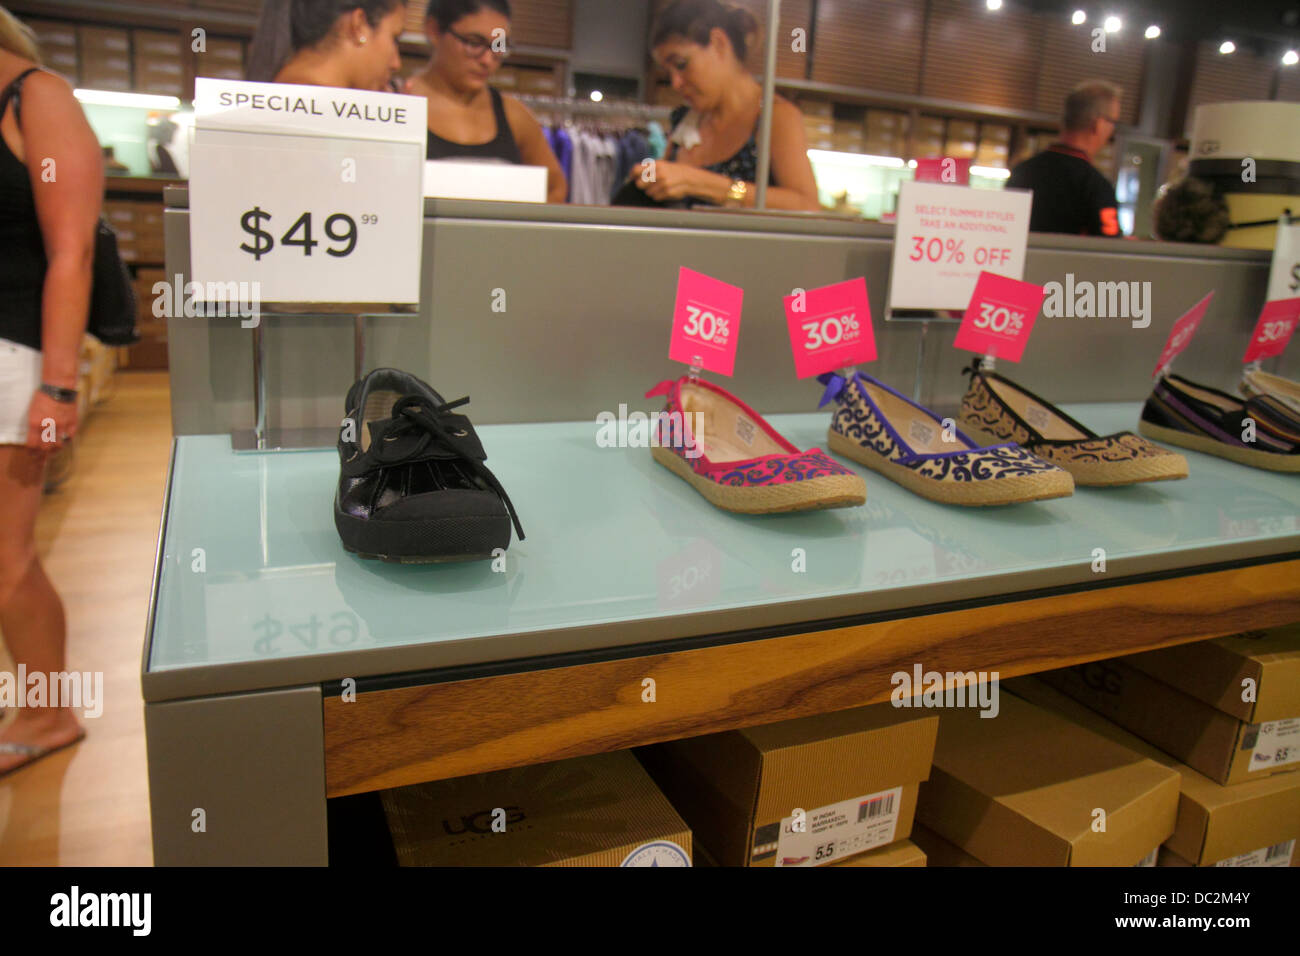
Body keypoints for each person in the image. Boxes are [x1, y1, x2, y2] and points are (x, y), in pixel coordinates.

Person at [0, 6, 101, 775]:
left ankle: (47, 709)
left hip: (12, 356)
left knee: (5, 555)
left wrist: (58, 390)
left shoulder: (35, 96)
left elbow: (73, 251)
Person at [629, 0, 820, 212]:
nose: (675, 83)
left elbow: (807, 207)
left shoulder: (774, 117)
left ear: (719, 43)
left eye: (681, 64)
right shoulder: (685, 120)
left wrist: (699, 182)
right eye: (668, 72)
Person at [407, 0, 567, 203]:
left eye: (498, 46)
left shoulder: (514, 116)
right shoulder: (400, 106)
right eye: (474, 43)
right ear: (434, 30)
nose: (487, 60)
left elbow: (555, 187)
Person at [1008, 80, 1123, 237]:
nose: (1112, 130)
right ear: (1098, 124)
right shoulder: (1095, 185)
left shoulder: (1022, 171)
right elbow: (1109, 244)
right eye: (1113, 122)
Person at [247, 0, 407, 91]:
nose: (396, 63)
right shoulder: (326, 115)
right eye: (394, 38)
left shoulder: (274, 96)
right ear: (358, 26)